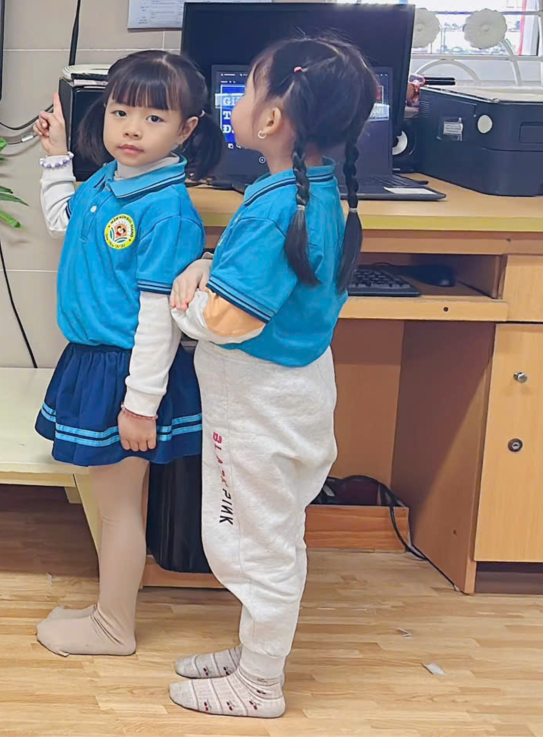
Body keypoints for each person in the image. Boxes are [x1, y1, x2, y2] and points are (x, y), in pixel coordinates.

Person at [165, 35, 379, 718]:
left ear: (272, 119)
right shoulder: (313, 195)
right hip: (295, 396)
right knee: (271, 536)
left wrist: (184, 298)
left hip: (257, 407)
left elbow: (230, 320)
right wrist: (213, 267)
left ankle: (259, 685)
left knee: (253, 546)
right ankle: (255, 655)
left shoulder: (276, 207)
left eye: (246, 89)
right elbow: (265, 283)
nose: (235, 101)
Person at [30, 49, 222, 659]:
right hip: (95, 362)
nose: (132, 129)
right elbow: (64, 222)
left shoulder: (166, 210)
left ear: (187, 130)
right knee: (111, 503)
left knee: (118, 509)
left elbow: (159, 320)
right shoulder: (109, 182)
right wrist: (55, 155)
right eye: (120, 112)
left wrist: (140, 405)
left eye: (154, 118)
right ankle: (106, 610)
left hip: (127, 369)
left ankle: (113, 627)